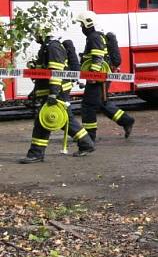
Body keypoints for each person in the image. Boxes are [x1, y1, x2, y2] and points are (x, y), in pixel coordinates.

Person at [19, 27, 95, 163]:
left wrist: (53, 94)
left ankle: (36, 153)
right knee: (64, 120)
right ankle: (86, 143)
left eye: (37, 33)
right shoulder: (47, 46)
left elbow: (56, 71)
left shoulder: (53, 47)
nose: (35, 36)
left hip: (56, 91)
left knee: (43, 121)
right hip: (53, 91)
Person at [76, 11, 135, 142]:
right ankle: (126, 121)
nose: (81, 27)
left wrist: (92, 75)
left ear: (88, 24)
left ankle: (89, 136)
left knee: (88, 105)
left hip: (98, 78)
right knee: (101, 103)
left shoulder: (94, 37)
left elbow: (98, 57)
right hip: (100, 77)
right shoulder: (95, 36)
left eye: (81, 24)